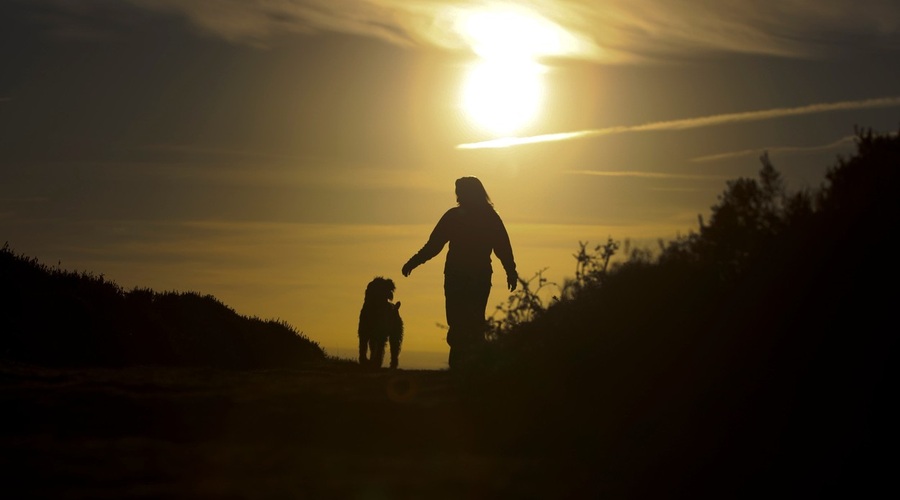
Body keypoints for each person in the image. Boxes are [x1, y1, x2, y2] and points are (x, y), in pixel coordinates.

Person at [401, 176, 517, 369]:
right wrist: (414, 261)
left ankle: (469, 367)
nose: (458, 194)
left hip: (466, 276)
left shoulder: (467, 217)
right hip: (468, 276)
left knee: (466, 321)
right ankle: (464, 366)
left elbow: (502, 246)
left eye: (460, 190)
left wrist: (511, 270)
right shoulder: (481, 217)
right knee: (466, 321)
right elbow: (434, 245)